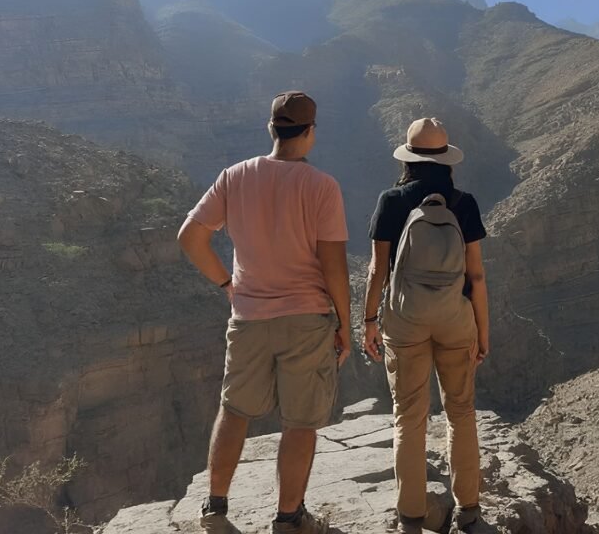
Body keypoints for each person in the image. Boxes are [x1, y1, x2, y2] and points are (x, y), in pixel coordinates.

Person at [177, 91, 350, 534]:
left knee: (235, 409)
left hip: (249, 315)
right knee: (300, 422)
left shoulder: (234, 177)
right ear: (310, 134)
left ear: (271, 129)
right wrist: (346, 326)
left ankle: (215, 507)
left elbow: (190, 238)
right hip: (307, 319)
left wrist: (227, 285)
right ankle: (288, 517)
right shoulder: (322, 187)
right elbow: (333, 265)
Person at [362, 118, 490, 534]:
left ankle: (412, 521)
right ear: (446, 159)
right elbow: (477, 277)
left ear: (409, 159)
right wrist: (482, 333)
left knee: (409, 418)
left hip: (405, 320)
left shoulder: (391, 200)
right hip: (456, 319)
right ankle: (469, 513)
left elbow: (378, 271)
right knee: (461, 412)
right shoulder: (463, 202)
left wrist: (368, 321)